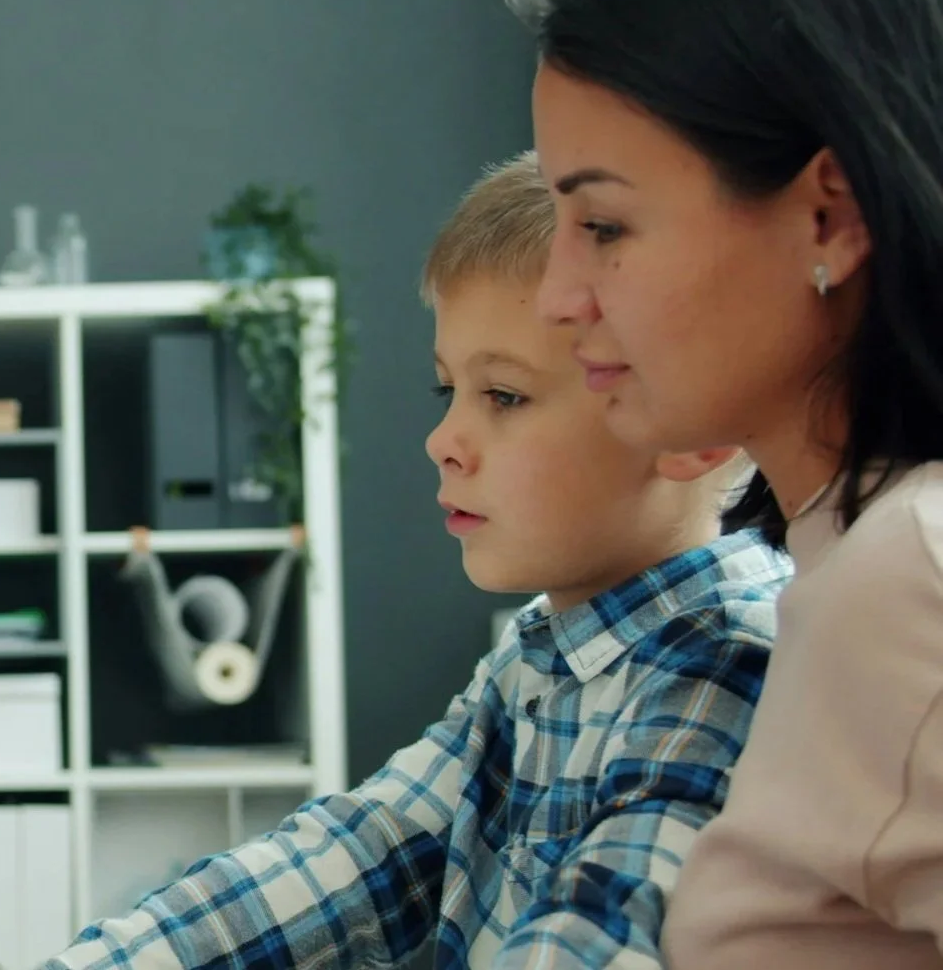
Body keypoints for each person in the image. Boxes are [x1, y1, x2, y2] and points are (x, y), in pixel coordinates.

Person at [42, 152, 791, 969]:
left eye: (502, 395)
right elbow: (369, 848)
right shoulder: (539, 651)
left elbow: (596, 937)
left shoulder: (731, 660)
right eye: (448, 391)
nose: (442, 441)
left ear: (691, 426)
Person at [518, 0, 943, 967]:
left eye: (603, 225)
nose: (557, 296)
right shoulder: (842, 565)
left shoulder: (910, 579)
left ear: (827, 219)